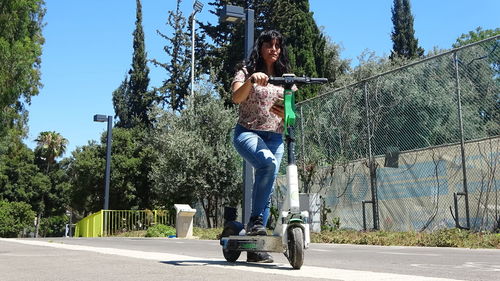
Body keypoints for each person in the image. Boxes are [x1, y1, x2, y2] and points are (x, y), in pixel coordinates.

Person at [231, 30, 295, 263]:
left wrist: (286, 110)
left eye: (278, 45)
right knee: (267, 165)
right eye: (269, 44)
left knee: (266, 187)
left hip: (275, 137)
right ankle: (255, 224)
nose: (274, 49)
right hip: (247, 133)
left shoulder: (285, 76)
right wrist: (251, 80)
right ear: (260, 48)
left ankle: (255, 245)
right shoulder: (246, 71)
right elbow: (236, 98)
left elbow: (290, 107)